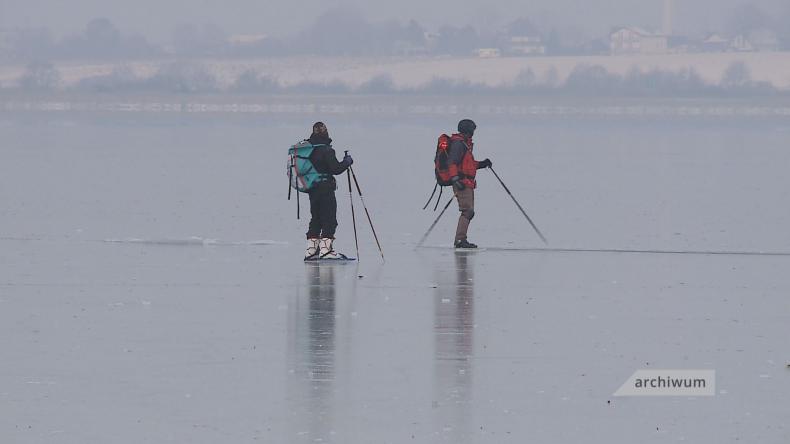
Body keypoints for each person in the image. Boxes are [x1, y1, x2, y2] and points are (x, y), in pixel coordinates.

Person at [303, 122, 353, 260]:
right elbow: (335, 169)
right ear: (326, 133)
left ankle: (311, 251)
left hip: (312, 189)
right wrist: (347, 162)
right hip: (325, 189)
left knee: (316, 219)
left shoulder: (308, 148)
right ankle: (326, 251)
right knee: (329, 220)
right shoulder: (326, 150)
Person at [447, 119, 491, 249]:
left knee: (469, 212)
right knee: (467, 211)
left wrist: (483, 164)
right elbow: (452, 162)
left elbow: (468, 166)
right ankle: (460, 240)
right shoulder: (458, 144)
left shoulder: (465, 144)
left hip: (467, 182)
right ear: (468, 131)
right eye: (472, 130)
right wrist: (455, 179)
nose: (473, 133)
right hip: (461, 182)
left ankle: (461, 239)